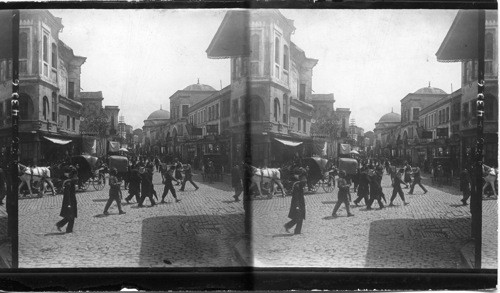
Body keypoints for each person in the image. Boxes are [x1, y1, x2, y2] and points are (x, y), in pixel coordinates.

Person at [283, 164, 307, 235]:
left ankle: (297, 231)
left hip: (301, 202)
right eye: (303, 179)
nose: (305, 180)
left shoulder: (300, 184)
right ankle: (287, 225)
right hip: (297, 203)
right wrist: (297, 206)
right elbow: (296, 197)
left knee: (301, 216)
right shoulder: (297, 185)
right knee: (298, 217)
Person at [55, 166, 78, 233]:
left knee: (72, 215)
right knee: (70, 215)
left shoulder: (70, 181)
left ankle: (69, 229)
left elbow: (76, 180)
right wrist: (69, 203)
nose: (76, 177)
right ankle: (61, 225)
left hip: (72, 199)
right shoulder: (68, 182)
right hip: (69, 200)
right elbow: (67, 194)